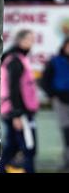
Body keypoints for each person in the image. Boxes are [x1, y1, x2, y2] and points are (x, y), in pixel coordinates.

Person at [0, 30, 40, 173]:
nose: (31, 42)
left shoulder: (17, 58)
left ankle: (0, 170)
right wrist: (16, 114)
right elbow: (13, 88)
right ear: (20, 40)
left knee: (12, 146)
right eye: (29, 39)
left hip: (16, 111)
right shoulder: (15, 60)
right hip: (19, 112)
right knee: (28, 147)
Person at [41, 38, 69, 172]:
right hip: (61, 101)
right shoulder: (55, 61)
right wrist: (53, 94)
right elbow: (44, 80)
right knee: (66, 131)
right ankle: (67, 161)